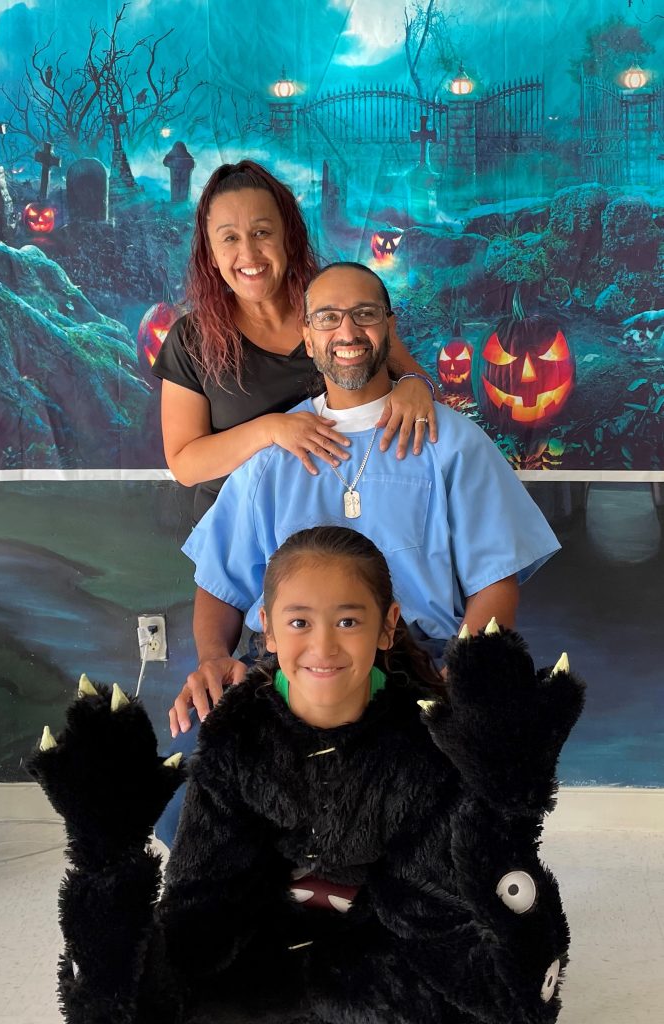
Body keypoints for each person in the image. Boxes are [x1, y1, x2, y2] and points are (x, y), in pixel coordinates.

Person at [29, 526, 585, 1024]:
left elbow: (429, 907)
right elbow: (207, 892)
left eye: (348, 620)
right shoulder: (237, 736)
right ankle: (106, 863)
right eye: (299, 622)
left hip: (388, 941)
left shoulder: (425, 743)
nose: (323, 646)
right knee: (130, 989)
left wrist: (506, 812)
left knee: (501, 997)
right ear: (267, 629)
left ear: (387, 626)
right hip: (258, 939)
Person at [171, 262, 561, 741]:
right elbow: (219, 581)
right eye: (328, 317)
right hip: (289, 675)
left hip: (420, 670)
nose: (348, 331)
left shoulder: (452, 442)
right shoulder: (273, 454)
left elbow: (496, 581)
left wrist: (462, 676)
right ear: (308, 338)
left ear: (389, 328)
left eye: (365, 314)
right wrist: (213, 658)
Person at [152, 160, 439, 525]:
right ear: (210, 254)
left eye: (261, 233)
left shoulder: (336, 313)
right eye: (230, 238)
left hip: (346, 524)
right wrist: (271, 429)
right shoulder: (190, 340)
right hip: (240, 537)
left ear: (288, 237)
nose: (249, 254)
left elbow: (425, 385)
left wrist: (417, 386)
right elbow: (185, 464)